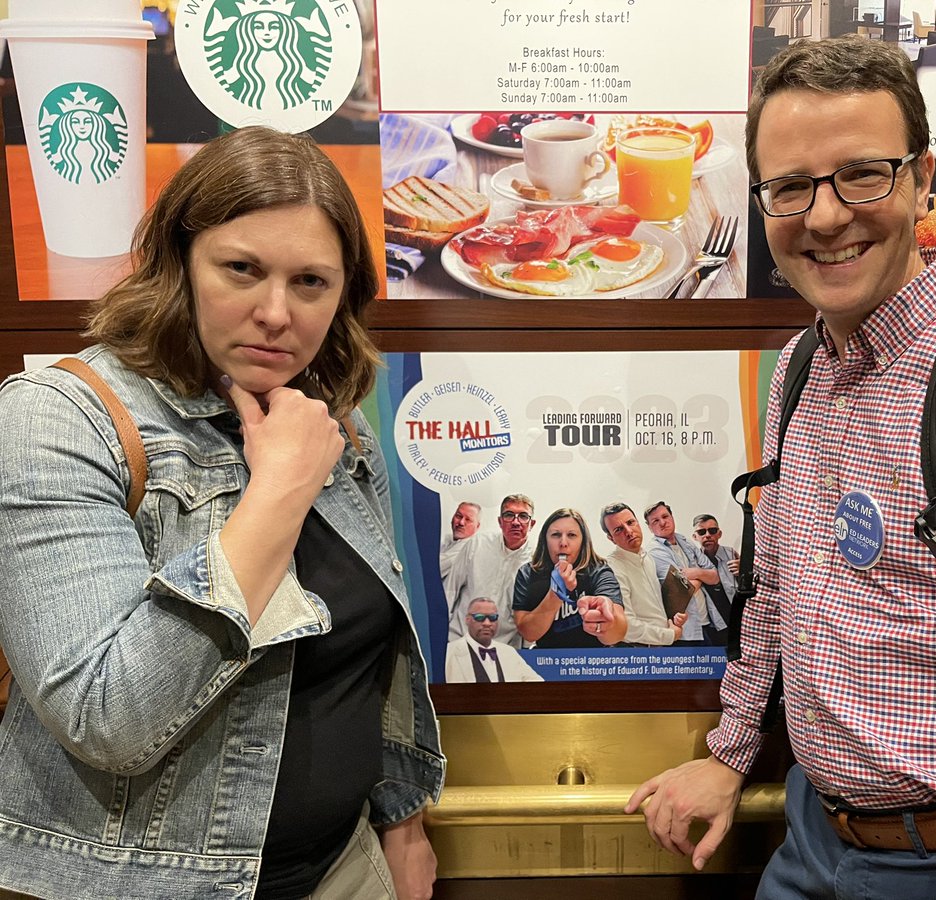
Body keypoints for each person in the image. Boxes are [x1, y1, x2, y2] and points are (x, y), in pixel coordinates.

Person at [626, 36, 936, 900]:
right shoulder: (799, 365)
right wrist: (730, 752)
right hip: (811, 841)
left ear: (922, 177)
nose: (825, 217)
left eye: (863, 173)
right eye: (791, 187)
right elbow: (782, 588)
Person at [0, 126, 444, 900]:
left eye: (311, 282)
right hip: (143, 886)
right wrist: (277, 493)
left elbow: (373, 656)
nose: (277, 312)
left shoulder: (327, 416)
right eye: (242, 270)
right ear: (178, 265)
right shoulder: (59, 419)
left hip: (344, 867)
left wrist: (401, 827)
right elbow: (109, 718)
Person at [512, 508, 628, 648]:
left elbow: (618, 633)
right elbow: (528, 633)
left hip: (592, 661)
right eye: (556, 535)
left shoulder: (599, 571)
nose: (563, 543)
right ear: (545, 540)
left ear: (583, 541)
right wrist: (555, 595)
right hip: (546, 660)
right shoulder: (528, 573)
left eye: (572, 535)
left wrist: (607, 619)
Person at [442, 494, 536, 648]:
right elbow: (450, 590)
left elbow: (529, 617)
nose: (516, 522)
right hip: (458, 641)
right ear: (500, 521)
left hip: (503, 650)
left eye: (523, 516)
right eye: (509, 515)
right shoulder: (477, 544)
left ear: (532, 524)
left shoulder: (536, 563)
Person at [600, 503, 688, 646]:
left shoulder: (648, 558)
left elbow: (654, 611)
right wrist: (669, 635)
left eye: (630, 522)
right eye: (619, 529)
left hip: (661, 647)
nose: (629, 531)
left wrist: (672, 619)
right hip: (637, 652)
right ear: (611, 538)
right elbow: (625, 626)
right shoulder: (612, 568)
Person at [643, 501, 724, 646]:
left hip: (708, 621)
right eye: (655, 521)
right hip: (685, 631)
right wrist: (702, 576)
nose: (662, 522)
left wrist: (695, 572)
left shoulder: (683, 540)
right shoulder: (655, 551)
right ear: (649, 527)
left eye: (665, 516)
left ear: (672, 517)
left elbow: (715, 576)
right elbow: (681, 590)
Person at [445, 598, 544, 682]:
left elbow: (537, 685)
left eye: (492, 618)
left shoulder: (509, 653)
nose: (487, 623)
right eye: (480, 617)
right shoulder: (448, 653)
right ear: (467, 620)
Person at [691, 513, 739, 647]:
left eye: (712, 531)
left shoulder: (731, 554)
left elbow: (749, 583)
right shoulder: (693, 562)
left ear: (719, 534)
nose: (707, 535)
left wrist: (743, 569)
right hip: (715, 624)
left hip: (738, 619)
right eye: (701, 532)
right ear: (695, 537)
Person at [439, 500, 481, 578]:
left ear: (477, 526)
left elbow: (433, 568)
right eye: (458, 516)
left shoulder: (469, 547)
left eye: (468, 519)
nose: (461, 522)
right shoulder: (446, 540)